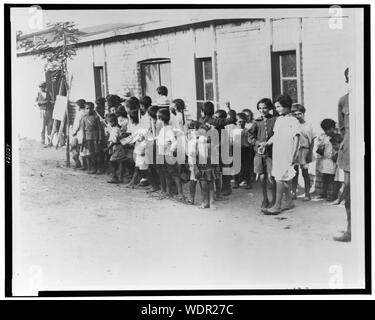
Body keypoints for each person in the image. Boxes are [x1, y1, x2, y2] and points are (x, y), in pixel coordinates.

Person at [261, 94, 300, 215]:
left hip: (287, 153)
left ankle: (277, 205)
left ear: (286, 106)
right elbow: (275, 135)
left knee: (279, 178)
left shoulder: (293, 120)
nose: (276, 109)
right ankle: (289, 202)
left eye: (278, 107)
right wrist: (266, 144)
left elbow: (297, 138)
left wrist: (294, 155)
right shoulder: (279, 119)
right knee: (280, 177)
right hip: (277, 151)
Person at [248, 98, 277, 209]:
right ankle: (265, 198)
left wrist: (268, 144)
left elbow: (277, 134)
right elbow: (250, 137)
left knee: (271, 177)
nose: (262, 110)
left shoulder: (274, 120)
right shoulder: (257, 122)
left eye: (264, 108)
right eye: (260, 108)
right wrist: (259, 143)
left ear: (269, 108)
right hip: (259, 154)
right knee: (262, 176)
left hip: (270, 153)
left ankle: (274, 199)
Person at [334, 68, 351, 242]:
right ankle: (351, 230)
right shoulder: (343, 101)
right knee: (350, 190)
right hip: (351, 152)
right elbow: (343, 128)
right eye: (350, 77)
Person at [156, 108, 184, 202]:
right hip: (163, 154)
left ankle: (180, 194)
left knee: (174, 174)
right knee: (166, 173)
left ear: (161, 119)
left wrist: (171, 151)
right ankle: (168, 192)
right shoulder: (164, 129)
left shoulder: (168, 129)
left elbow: (174, 142)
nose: (156, 121)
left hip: (168, 154)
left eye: (157, 118)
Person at [291, 103, 316, 201]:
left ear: (303, 114)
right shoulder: (293, 125)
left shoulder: (308, 125)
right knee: (294, 172)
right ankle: (293, 192)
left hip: (305, 151)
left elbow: (312, 140)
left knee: (305, 173)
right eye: (295, 114)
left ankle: (307, 193)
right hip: (295, 151)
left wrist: (310, 152)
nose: (297, 116)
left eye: (299, 114)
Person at [315, 119, 342, 201]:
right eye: (324, 130)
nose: (326, 131)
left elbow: (338, 149)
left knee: (332, 179)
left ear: (333, 128)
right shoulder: (324, 137)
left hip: (333, 161)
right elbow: (320, 151)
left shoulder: (337, 137)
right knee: (325, 177)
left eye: (328, 129)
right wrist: (320, 146)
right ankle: (324, 193)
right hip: (325, 160)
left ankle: (333, 195)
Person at [81, 102, 103, 174]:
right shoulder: (84, 118)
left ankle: (99, 168)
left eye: (90, 108)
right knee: (91, 153)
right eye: (87, 108)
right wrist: (84, 138)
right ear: (85, 109)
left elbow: (99, 129)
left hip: (95, 137)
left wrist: (100, 138)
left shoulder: (96, 117)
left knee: (97, 152)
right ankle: (94, 168)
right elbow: (83, 130)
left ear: (93, 109)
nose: (89, 110)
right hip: (88, 138)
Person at [106, 114, 127, 183]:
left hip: (117, 147)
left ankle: (115, 177)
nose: (108, 124)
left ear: (112, 122)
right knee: (118, 162)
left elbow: (114, 141)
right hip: (117, 147)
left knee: (112, 162)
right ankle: (119, 177)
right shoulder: (116, 129)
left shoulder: (116, 129)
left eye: (108, 122)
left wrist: (107, 148)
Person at [233, 112, 252, 189]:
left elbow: (250, 141)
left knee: (247, 166)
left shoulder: (247, 130)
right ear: (236, 122)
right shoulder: (234, 130)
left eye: (243, 121)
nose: (241, 123)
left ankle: (248, 182)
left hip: (245, 149)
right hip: (236, 149)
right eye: (239, 121)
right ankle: (236, 182)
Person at [35, 81, 54, 145]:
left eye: (43, 87)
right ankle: (42, 140)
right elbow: (35, 103)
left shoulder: (49, 93)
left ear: (45, 87)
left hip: (49, 111)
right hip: (42, 111)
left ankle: (49, 141)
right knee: (42, 127)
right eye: (41, 87)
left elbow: (52, 100)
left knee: (49, 126)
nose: (42, 88)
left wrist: (51, 102)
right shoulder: (38, 93)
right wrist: (41, 102)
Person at [71, 99, 86, 169]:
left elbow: (76, 125)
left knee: (74, 148)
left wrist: (73, 132)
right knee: (84, 149)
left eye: (76, 106)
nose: (76, 107)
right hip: (85, 134)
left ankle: (77, 162)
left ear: (79, 106)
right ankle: (85, 164)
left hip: (79, 134)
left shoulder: (79, 114)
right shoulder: (86, 113)